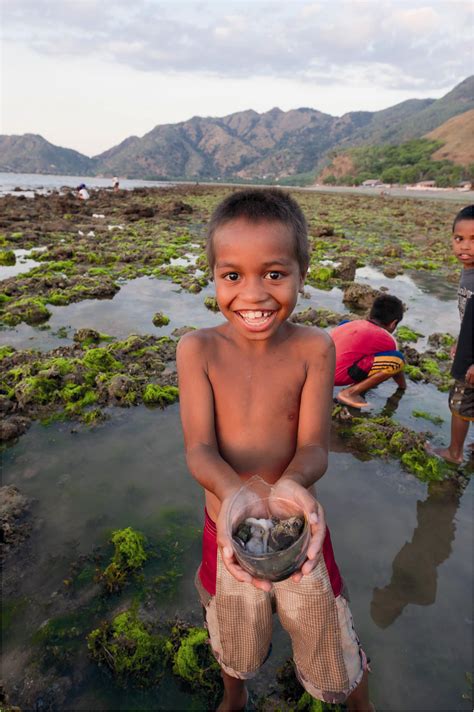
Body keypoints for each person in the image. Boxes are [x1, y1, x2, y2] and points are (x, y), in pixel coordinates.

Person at [177, 189, 373, 711]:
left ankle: (358, 702)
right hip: (227, 526)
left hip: (297, 523)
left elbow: (314, 447)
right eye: (233, 275)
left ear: (301, 275)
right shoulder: (197, 350)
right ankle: (234, 697)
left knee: (326, 625)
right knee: (233, 626)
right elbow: (199, 450)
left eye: (274, 273)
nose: (254, 294)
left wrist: (290, 484)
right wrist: (235, 495)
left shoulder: (314, 347)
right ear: (213, 276)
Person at [427, 205, 474, 464]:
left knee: (459, 403)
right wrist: (459, 340)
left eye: (473, 240)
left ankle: (454, 453)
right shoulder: (467, 271)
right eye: (459, 239)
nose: (464, 246)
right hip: (468, 346)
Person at [331, 295, 406, 408]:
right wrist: (402, 387)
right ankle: (349, 393)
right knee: (398, 360)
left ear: (370, 314)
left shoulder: (351, 323)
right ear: (393, 323)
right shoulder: (388, 339)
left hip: (316, 369)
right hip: (336, 376)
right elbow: (397, 369)